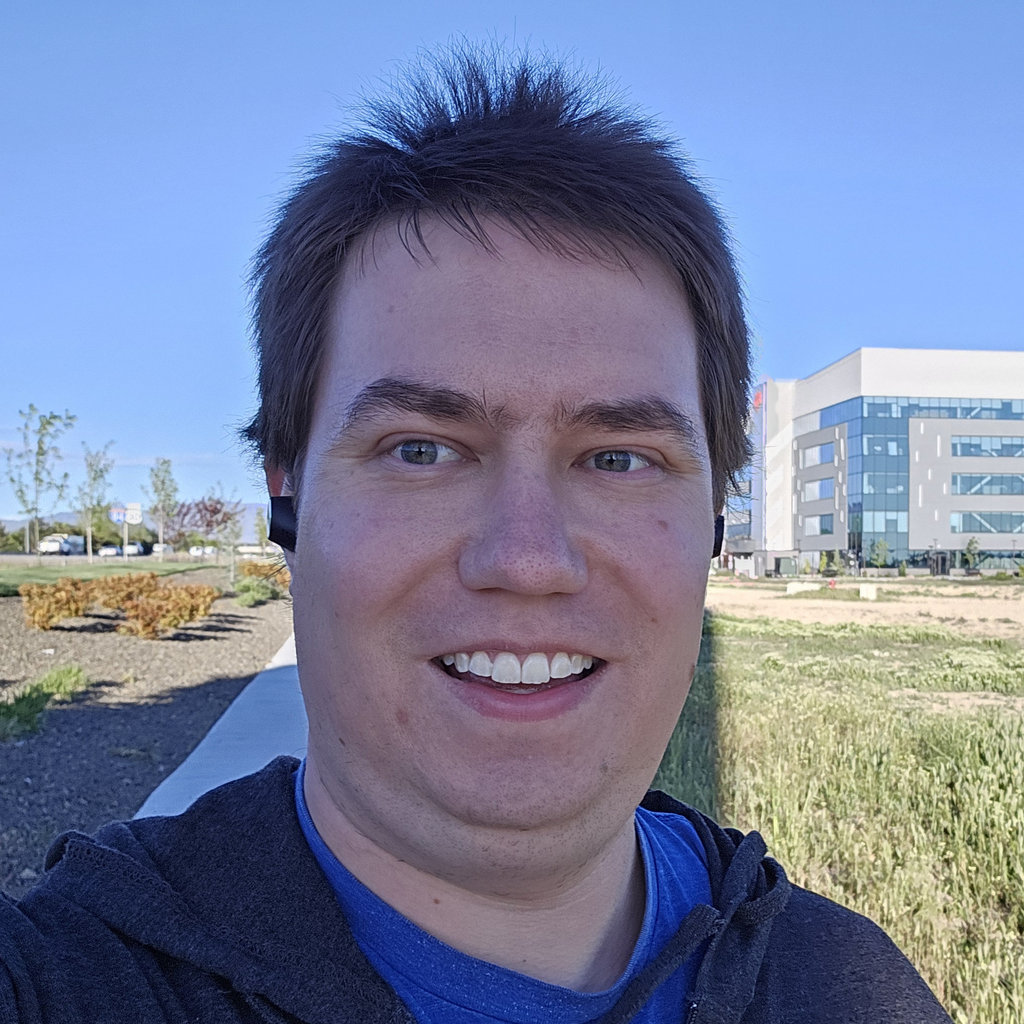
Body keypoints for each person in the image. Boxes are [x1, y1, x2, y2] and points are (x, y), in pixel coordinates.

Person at [0, 46, 951, 1023]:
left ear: (714, 516)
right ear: (287, 495)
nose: (527, 559)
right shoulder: (65, 981)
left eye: (618, 458)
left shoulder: (850, 988)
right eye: (421, 449)